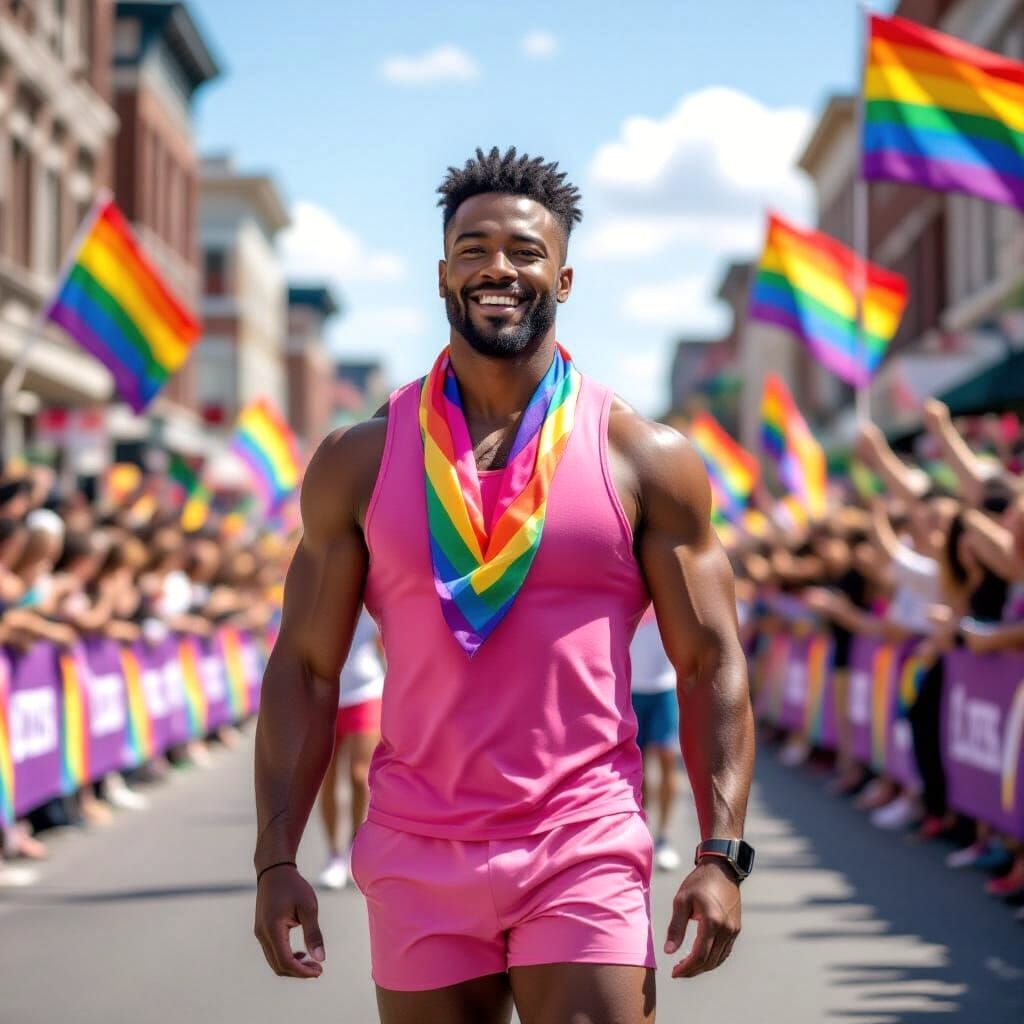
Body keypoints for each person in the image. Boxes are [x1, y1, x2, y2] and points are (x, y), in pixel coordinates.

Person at [253, 147, 756, 1023]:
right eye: (474, 247)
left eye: (524, 252)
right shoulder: (355, 461)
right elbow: (304, 667)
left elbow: (711, 661)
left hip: (583, 844)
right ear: (442, 274)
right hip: (416, 848)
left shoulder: (645, 458)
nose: (498, 267)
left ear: (563, 279)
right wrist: (275, 858)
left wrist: (720, 854)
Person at [317, 607, 384, 890]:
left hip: (366, 692)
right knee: (327, 777)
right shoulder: (320, 590)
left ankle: (355, 848)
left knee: (360, 776)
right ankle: (335, 855)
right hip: (324, 695)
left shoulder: (374, 594)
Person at [629, 607, 681, 871]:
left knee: (667, 759)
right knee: (639, 768)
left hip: (664, 690)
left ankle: (664, 837)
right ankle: (644, 832)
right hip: (630, 690)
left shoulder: (665, 593)